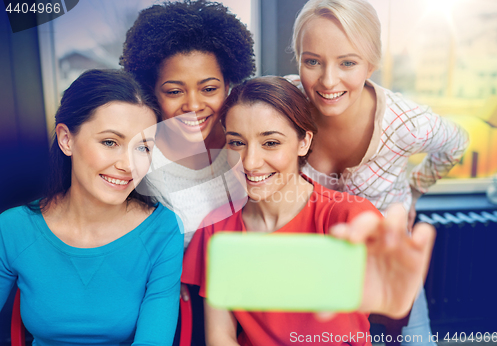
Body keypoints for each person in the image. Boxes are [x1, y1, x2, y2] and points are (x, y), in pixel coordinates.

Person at [181, 76, 436, 346]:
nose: (250, 162)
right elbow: (220, 336)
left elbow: (388, 294)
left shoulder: (347, 217)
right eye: (236, 143)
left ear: (303, 142)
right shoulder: (216, 228)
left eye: (271, 143)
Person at [286, 0, 469, 343]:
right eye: (312, 61)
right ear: (298, 59)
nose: (328, 80)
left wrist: (415, 190)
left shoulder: (406, 123)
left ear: (371, 64)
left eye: (348, 63)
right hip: (313, 272)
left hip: (386, 269)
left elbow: (457, 141)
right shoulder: (283, 103)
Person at [0, 69, 183, 345]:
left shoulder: (163, 229)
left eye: (143, 147)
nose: (127, 165)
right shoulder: (13, 228)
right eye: (110, 142)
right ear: (66, 139)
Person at [120, 0, 255, 249]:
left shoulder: (249, 144)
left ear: (228, 85)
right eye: (174, 91)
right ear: (153, 91)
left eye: (209, 89)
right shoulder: (140, 164)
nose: (193, 105)